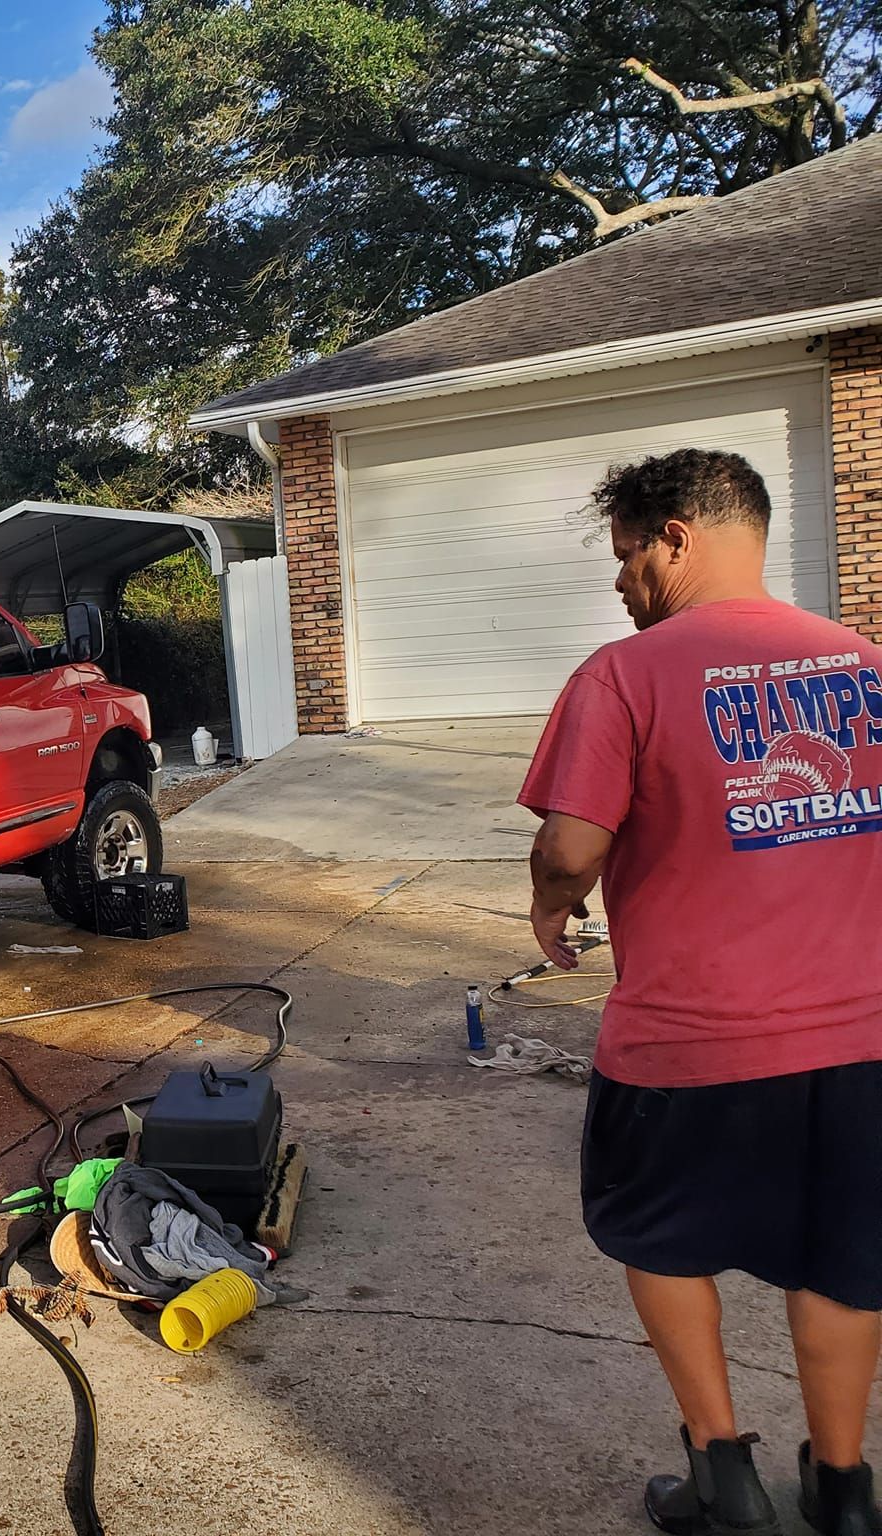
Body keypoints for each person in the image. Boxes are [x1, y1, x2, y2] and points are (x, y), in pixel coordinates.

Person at [520, 448, 882, 1536]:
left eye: (628, 556)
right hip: (862, 1042)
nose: (620, 582)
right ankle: (843, 1492)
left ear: (674, 536)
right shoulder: (863, 664)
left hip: (688, 1045)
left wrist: (551, 901)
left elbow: (571, 842)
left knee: (660, 1238)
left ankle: (723, 1484)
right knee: (841, 1259)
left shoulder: (620, 677)